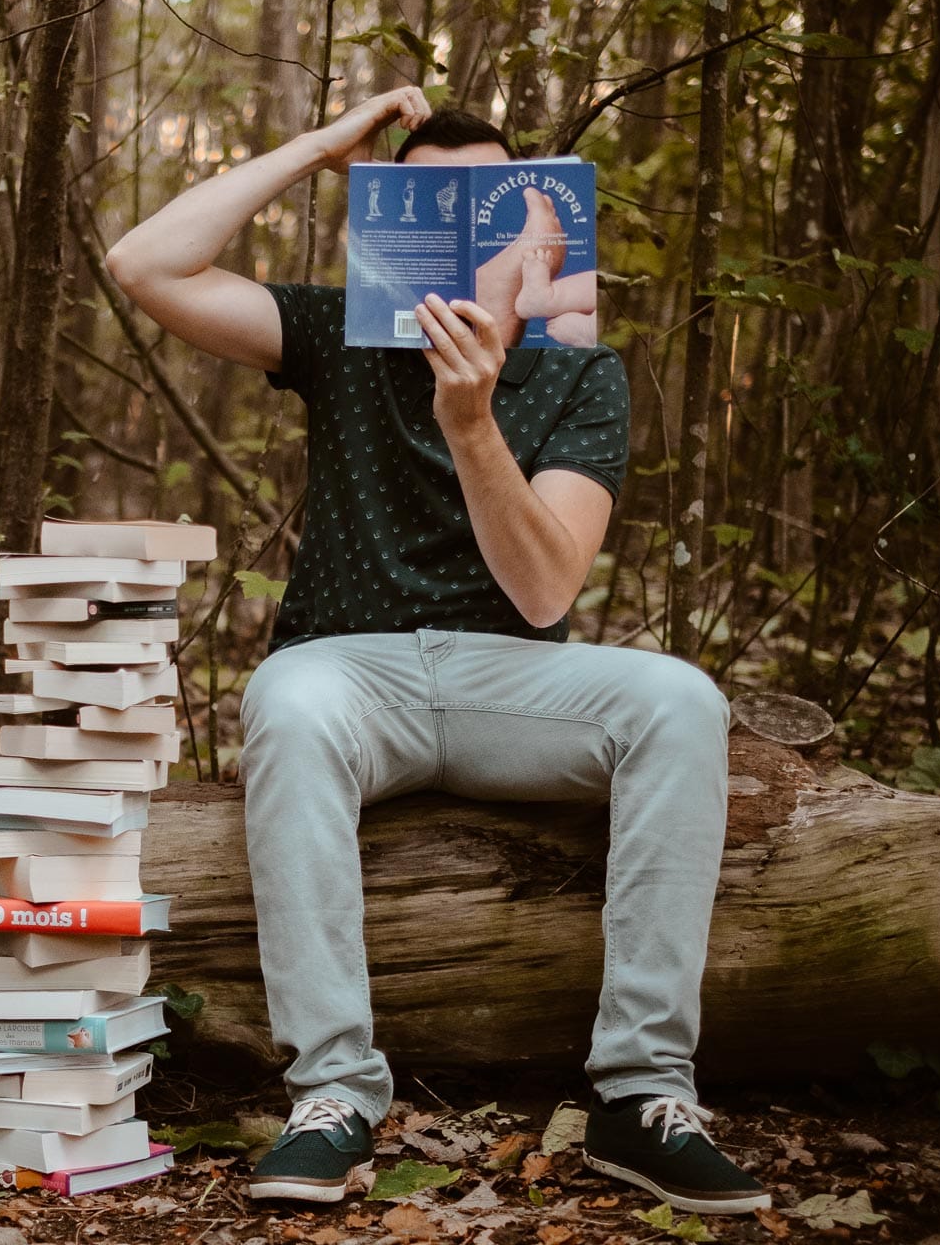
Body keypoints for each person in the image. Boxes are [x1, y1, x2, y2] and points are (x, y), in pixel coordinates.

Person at [104, 91, 771, 1216]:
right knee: (289, 697)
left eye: (490, 203)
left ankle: (640, 1092)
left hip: (512, 677)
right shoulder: (340, 337)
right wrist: (321, 146)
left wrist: (472, 422)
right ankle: (330, 1093)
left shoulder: (576, 371)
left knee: (678, 700)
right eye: (426, 198)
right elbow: (142, 264)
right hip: (348, 672)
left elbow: (546, 584)